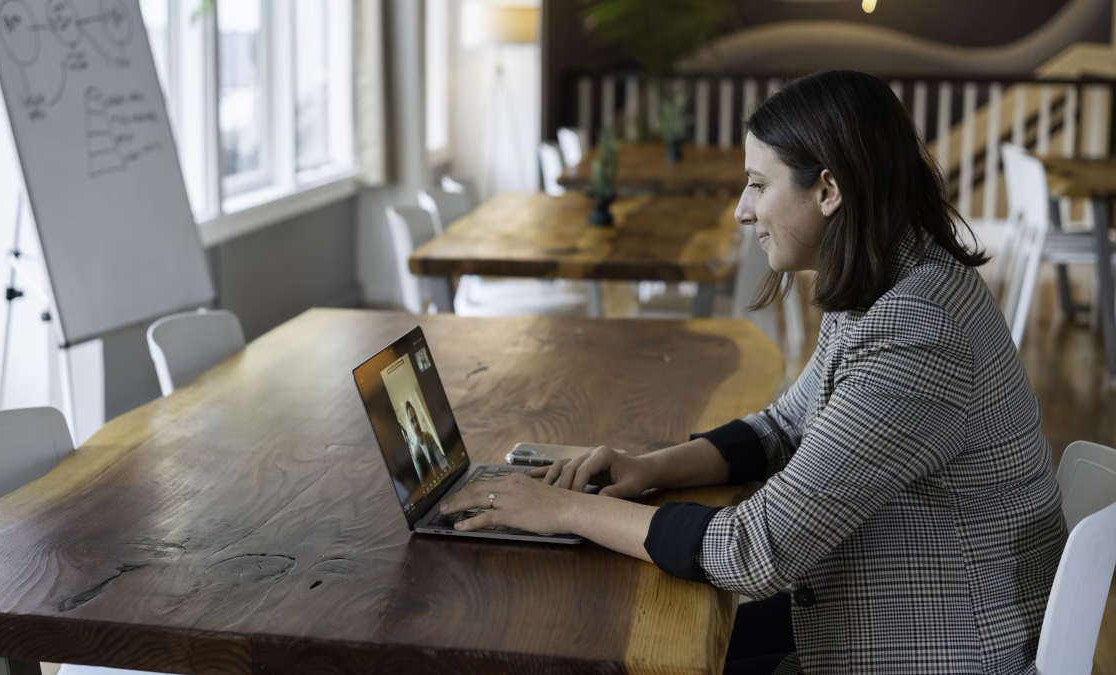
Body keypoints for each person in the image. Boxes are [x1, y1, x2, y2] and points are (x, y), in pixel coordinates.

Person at [440, 70, 1067, 675]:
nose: (742, 210)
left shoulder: (920, 330)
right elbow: (783, 427)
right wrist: (649, 467)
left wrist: (561, 512)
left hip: (941, 650)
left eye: (758, 185)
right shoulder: (892, 279)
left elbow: (755, 550)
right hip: (881, 614)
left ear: (827, 190)